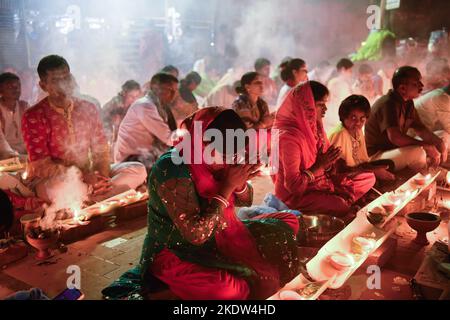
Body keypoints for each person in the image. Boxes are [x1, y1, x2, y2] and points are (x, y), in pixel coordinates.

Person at [102, 107, 300, 300]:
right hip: (178, 250)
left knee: (288, 221)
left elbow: (245, 199)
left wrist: (240, 183)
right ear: (200, 138)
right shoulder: (172, 168)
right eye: (221, 153)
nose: (226, 159)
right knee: (231, 291)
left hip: (223, 231)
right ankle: (161, 293)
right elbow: (196, 235)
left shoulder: (224, 152)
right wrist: (227, 187)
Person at [21, 55, 147, 204]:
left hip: (91, 174)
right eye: (55, 80)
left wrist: (102, 175)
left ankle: (94, 195)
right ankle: (104, 196)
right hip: (56, 180)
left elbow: (100, 151)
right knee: (58, 189)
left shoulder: (88, 108)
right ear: (43, 86)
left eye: (66, 77)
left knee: (137, 169)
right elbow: (41, 166)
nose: (63, 84)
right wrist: (82, 176)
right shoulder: (33, 115)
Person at [273, 81, 375, 217]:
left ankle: (339, 202)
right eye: (321, 105)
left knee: (367, 178)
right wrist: (320, 165)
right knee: (340, 205)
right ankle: (340, 204)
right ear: (306, 106)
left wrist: (331, 165)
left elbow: (328, 167)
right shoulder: (290, 138)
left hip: (319, 183)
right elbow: (294, 187)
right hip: (296, 196)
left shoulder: (316, 129)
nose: (325, 109)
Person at [365, 66, 448, 172]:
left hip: (394, 150)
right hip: (377, 156)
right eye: (416, 83)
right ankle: (427, 173)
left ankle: (432, 168)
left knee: (442, 135)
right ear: (402, 88)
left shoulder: (408, 102)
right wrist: (426, 146)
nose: (421, 86)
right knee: (418, 152)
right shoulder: (388, 103)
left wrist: (438, 143)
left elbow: (421, 129)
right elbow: (395, 138)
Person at [114, 73, 178, 170]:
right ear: (155, 88)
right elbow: (169, 138)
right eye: (169, 90)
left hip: (145, 156)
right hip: (131, 160)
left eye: (175, 91)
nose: (173, 95)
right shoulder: (145, 106)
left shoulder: (160, 107)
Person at [328, 95, 395, 181]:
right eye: (353, 118)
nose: (358, 123)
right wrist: (373, 171)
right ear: (343, 116)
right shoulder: (339, 134)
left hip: (358, 168)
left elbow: (363, 162)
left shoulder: (358, 131)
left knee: (389, 164)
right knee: (371, 177)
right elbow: (338, 170)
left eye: (362, 119)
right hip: (347, 173)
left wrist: (374, 169)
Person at [0, 72, 29, 160]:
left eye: (18, 86)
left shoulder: (24, 106)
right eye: (10, 87)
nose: (16, 89)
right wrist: (15, 156)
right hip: (4, 155)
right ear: (0, 90)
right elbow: (1, 142)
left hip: (26, 151)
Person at [324, 58, 354, 133]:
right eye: (350, 71)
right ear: (343, 70)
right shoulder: (334, 83)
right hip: (333, 122)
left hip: (340, 121)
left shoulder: (345, 84)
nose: (351, 73)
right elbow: (330, 101)